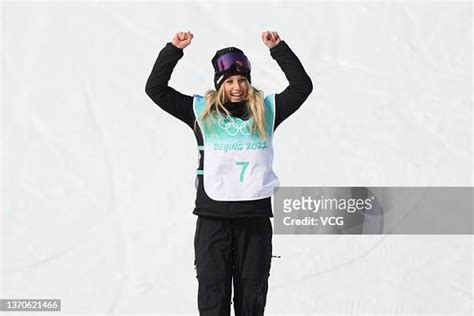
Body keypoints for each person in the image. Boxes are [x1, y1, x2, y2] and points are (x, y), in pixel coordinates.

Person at [145, 30, 312, 316]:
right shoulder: (201, 112)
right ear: (220, 85)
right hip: (213, 221)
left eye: (242, 81)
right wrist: (173, 50)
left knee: (251, 298)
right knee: (213, 297)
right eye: (230, 81)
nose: (237, 87)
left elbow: (301, 87)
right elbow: (156, 89)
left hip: (254, 221)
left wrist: (279, 49)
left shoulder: (267, 111)